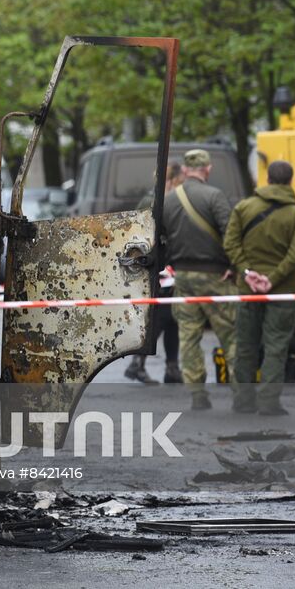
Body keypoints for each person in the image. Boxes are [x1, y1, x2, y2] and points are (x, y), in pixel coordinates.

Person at [224, 159, 295, 415]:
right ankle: (269, 402)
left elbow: (230, 244)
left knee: (246, 345)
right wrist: (273, 278)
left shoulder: (243, 208)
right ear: (290, 181)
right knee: (276, 346)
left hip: (248, 289)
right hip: (282, 290)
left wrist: (248, 272)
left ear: (268, 179)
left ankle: (243, 401)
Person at [162, 149, 237, 409]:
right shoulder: (215, 196)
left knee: (189, 336)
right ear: (208, 169)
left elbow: (160, 239)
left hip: (182, 277)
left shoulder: (169, 201)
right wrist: (233, 265)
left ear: (184, 171)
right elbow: (231, 234)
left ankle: (198, 395)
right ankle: (242, 395)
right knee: (231, 334)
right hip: (215, 276)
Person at [128, 161, 185, 384]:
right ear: (171, 181)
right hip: (158, 266)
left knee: (172, 319)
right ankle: (138, 364)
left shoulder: (157, 199)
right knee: (161, 318)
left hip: (166, 266)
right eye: (179, 182)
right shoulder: (154, 201)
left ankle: (171, 367)